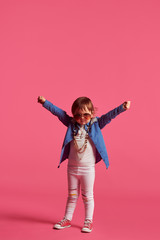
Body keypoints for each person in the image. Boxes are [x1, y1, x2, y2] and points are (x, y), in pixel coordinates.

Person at [37, 96, 131, 233]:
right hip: (72, 168)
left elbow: (109, 116)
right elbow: (58, 112)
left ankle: (88, 221)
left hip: (88, 169)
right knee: (72, 195)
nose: (82, 118)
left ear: (92, 113)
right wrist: (45, 103)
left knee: (87, 196)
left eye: (86, 115)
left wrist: (122, 107)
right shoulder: (71, 124)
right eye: (78, 115)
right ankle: (67, 219)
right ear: (74, 115)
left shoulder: (96, 124)